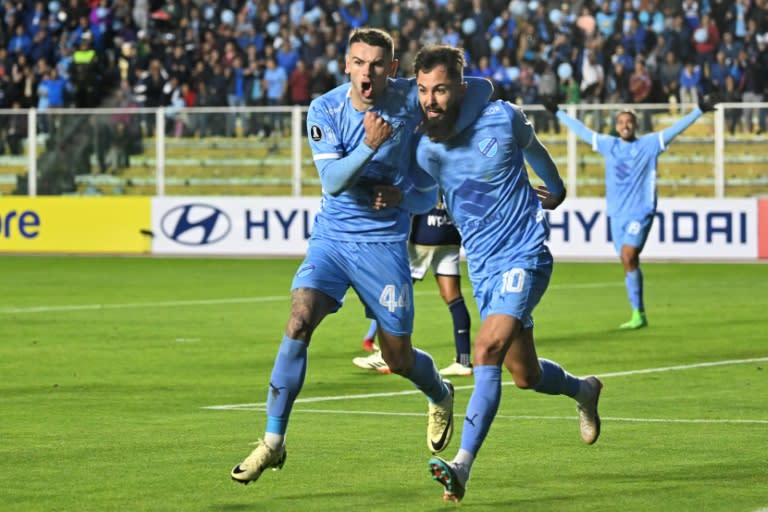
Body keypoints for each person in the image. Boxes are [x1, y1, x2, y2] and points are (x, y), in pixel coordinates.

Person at [230, 28, 493, 486]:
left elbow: (481, 90)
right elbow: (332, 181)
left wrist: (403, 192)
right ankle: (273, 441)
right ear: (346, 64)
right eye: (358, 62)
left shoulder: (412, 99)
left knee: (398, 357)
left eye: (377, 64)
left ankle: (439, 392)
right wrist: (369, 145)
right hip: (331, 239)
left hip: (383, 246)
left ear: (392, 69)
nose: (366, 71)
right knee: (298, 319)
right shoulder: (325, 109)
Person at [412, 45, 603, 503]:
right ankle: (584, 389)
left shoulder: (504, 117)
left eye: (439, 88)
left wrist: (556, 190)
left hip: (525, 254)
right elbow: (412, 197)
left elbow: (536, 151)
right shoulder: (425, 143)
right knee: (526, 374)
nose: (430, 99)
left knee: (485, 349)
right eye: (421, 90)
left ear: (459, 85)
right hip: (482, 267)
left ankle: (460, 466)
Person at [544, 93, 717, 329]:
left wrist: (699, 110)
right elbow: (582, 132)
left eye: (629, 121)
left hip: (641, 212)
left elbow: (675, 130)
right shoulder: (609, 145)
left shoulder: (649, 144)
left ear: (635, 125)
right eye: (621, 122)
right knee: (627, 262)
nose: (625, 125)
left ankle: (638, 312)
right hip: (616, 215)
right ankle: (639, 313)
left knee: (628, 255)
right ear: (616, 127)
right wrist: (557, 112)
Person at [354, 202, 473, 377]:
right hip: (450, 234)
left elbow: (413, 199)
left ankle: (386, 355)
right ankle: (463, 361)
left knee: (395, 292)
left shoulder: (426, 173)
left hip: (423, 236)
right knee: (454, 297)